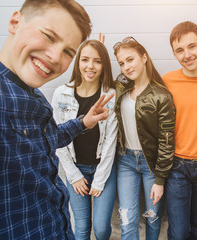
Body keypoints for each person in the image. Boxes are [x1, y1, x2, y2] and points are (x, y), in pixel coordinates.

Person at [0, 1, 114, 239]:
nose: (56, 57)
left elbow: (48, 138)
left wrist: (82, 123)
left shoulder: (34, 95)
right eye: (48, 36)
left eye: (68, 51)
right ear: (15, 22)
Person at [51, 39, 117, 240]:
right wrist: (74, 176)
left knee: (101, 229)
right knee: (81, 228)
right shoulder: (61, 94)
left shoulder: (110, 95)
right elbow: (57, 138)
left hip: (102, 169)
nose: (90, 66)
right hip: (75, 170)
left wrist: (98, 180)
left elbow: (110, 142)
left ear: (104, 64)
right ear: (78, 62)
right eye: (85, 59)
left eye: (97, 61)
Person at [113, 36, 176, 240]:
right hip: (125, 161)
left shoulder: (162, 95)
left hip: (152, 166)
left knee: (152, 217)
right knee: (127, 218)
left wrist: (160, 178)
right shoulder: (121, 87)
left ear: (144, 57)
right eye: (121, 63)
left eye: (130, 60)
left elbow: (167, 141)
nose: (126, 67)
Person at [162, 21, 197, 240]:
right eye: (180, 50)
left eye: (192, 46)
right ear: (174, 54)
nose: (187, 54)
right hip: (177, 166)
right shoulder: (168, 81)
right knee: (178, 233)